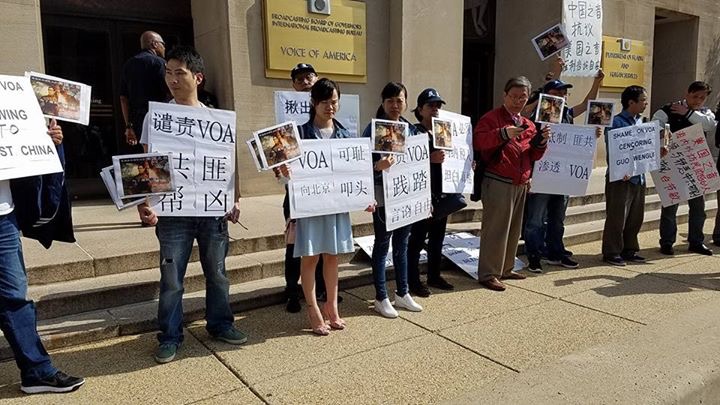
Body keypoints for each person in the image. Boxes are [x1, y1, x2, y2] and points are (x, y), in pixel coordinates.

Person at [137, 46, 247, 364]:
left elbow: (227, 165)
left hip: (212, 212)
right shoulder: (157, 118)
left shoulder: (216, 119)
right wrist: (147, 203)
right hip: (174, 214)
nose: (171, 79)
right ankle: (170, 337)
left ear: (197, 77)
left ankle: (221, 325)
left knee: (218, 273)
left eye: (179, 72)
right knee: (172, 280)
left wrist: (234, 198)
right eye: (167, 72)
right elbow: (149, 164)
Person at [1, 120, 85, 394]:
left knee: (14, 296)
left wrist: (49, 143)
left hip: (3, 217)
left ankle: (37, 371)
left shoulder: (11, 105)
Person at [285, 78, 373, 335]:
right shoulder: (299, 134)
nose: (330, 107)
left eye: (334, 102)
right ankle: (312, 309)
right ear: (313, 103)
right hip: (310, 206)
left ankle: (332, 307)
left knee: (332, 257)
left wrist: (365, 196)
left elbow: (357, 174)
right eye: (324, 102)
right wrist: (284, 171)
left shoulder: (345, 135)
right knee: (310, 257)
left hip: (336, 206)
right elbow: (284, 176)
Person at [523, 69, 604, 273]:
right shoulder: (536, 113)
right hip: (542, 174)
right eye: (557, 93)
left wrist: (597, 83)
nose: (562, 96)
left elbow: (587, 105)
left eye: (564, 93)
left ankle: (555, 252)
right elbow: (522, 114)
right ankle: (534, 254)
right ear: (547, 94)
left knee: (557, 219)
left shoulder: (567, 113)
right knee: (535, 219)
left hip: (564, 176)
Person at [474, 76, 549, 291]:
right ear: (504, 96)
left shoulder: (528, 124)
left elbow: (533, 155)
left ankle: (506, 267)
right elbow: (479, 142)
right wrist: (502, 134)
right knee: (496, 229)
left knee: (514, 229)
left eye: (522, 97)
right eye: (513, 96)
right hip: (498, 180)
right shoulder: (492, 118)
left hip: (521, 182)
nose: (518, 101)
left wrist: (541, 142)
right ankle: (488, 272)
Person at [362, 82, 423, 317]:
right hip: (384, 196)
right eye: (390, 101)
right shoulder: (373, 129)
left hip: (406, 196)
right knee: (382, 245)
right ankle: (381, 296)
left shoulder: (413, 131)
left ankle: (402, 292)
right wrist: (378, 166)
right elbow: (360, 165)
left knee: (402, 245)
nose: (395, 105)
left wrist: (423, 197)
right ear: (382, 103)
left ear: (406, 102)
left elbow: (420, 168)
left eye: (399, 100)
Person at [280, 62, 330, 313]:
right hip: (297, 196)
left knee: (322, 245)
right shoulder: (286, 120)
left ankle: (322, 288)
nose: (305, 81)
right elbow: (277, 159)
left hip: (327, 196)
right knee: (294, 245)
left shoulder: (332, 117)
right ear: (293, 85)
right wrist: (282, 172)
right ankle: (291, 291)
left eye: (309, 76)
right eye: (299, 79)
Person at [652, 81, 717, 256]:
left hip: (695, 165)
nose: (698, 101)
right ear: (687, 94)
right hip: (673, 164)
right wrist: (663, 137)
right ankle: (667, 242)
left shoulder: (705, 112)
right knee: (670, 206)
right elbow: (655, 125)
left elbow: (709, 125)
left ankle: (696, 241)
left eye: (702, 98)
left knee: (698, 207)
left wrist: (688, 113)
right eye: (695, 96)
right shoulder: (668, 109)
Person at [407, 88, 454, 297]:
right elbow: (408, 162)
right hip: (422, 194)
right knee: (417, 239)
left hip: (442, 194)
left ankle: (434, 275)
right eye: (430, 105)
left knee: (438, 238)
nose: (435, 109)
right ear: (420, 109)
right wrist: (429, 160)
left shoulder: (443, 130)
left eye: (438, 105)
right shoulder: (413, 132)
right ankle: (413, 279)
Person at [601, 86, 651, 266]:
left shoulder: (642, 122)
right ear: (631, 102)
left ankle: (630, 249)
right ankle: (612, 251)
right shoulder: (616, 122)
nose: (646, 103)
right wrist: (621, 169)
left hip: (639, 175)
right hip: (620, 178)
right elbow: (613, 150)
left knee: (635, 216)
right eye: (643, 100)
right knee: (617, 216)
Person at [120, 30, 167, 151]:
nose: (164, 48)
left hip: (137, 119)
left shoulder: (128, 65)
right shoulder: (160, 63)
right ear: (155, 44)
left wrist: (129, 125)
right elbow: (170, 93)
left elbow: (123, 98)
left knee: (145, 153)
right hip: (159, 117)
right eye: (163, 44)